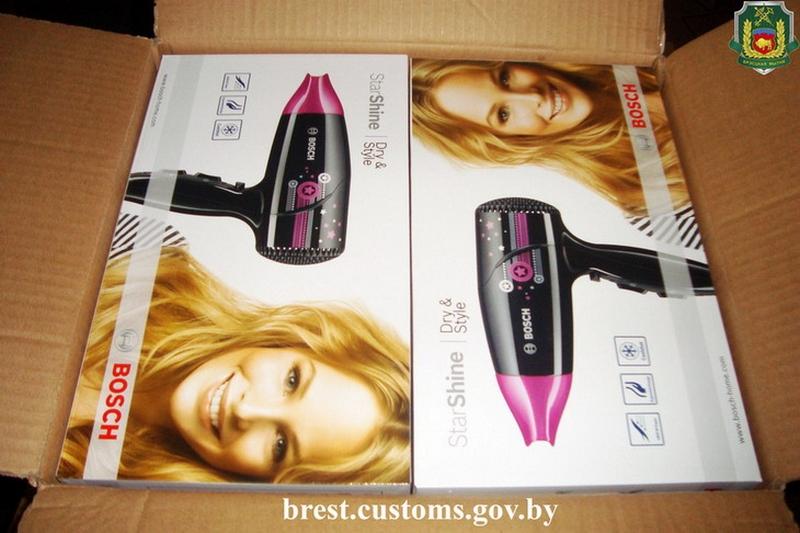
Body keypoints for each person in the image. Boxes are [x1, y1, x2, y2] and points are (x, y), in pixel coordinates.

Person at [59, 242, 410, 484]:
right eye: (291, 381)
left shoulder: (106, 502)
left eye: (279, 446)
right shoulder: (147, 257)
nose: (246, 411)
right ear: (291, 339)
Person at [412, 60, 690, 220]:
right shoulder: (636, 194)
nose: (532, 97)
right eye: (503, 114)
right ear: (510, 140)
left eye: (505, 78)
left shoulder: (638, 56)